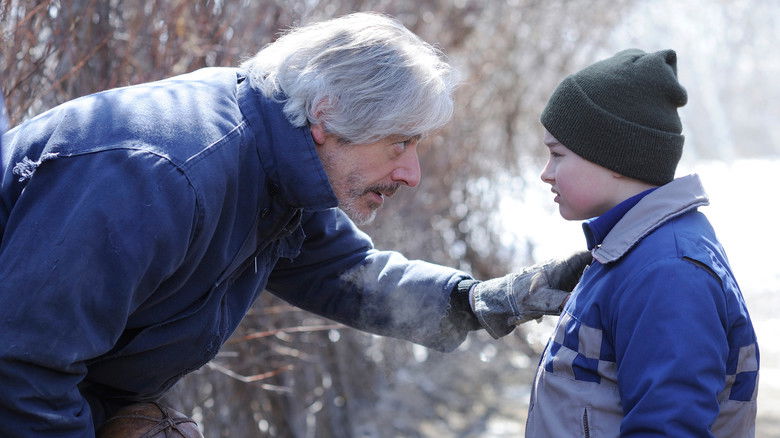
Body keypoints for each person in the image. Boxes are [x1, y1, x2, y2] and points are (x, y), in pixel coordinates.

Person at [0, 13, 590, 437]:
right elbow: (22, 367)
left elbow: (347, 273)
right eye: (400, 144)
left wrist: (480, 301)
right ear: (326, 116)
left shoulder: (274, 164)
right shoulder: (161, 175)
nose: (411, 173)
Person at [526, 48, 760, 437]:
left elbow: (668, 428)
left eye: (557, 155)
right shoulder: (632, 252)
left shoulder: (668, 273)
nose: (545, 174)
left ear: (616, 157)